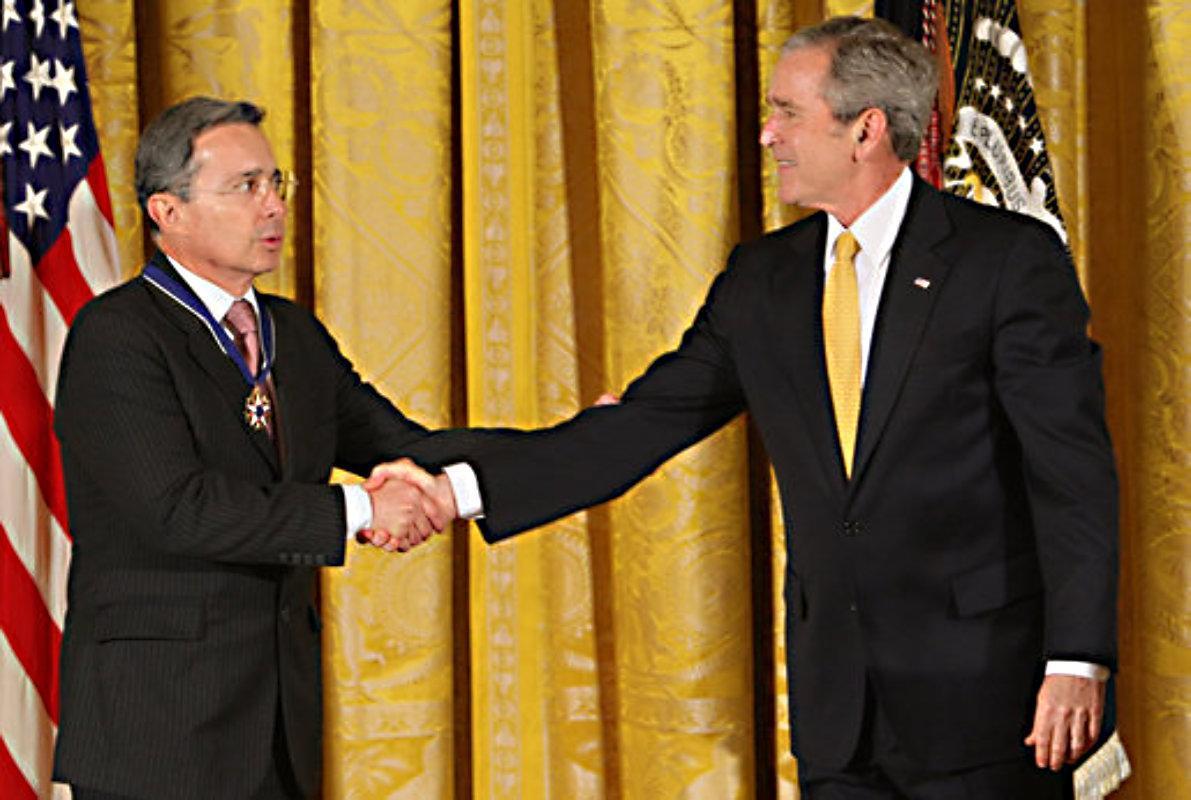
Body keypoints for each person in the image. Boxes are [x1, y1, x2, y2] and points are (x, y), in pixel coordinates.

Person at [375, 16, 1118, 799]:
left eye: (787, 113)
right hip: (838, 711)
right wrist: (451, 488)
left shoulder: (1004, 260)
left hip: (986, 701)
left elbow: (1070, 476)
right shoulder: (764, 279)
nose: (766, 135)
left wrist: (1075, 660)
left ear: (865, 130)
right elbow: (638, 426)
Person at [52, 97, 452, 799]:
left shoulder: (291, 335)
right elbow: (180, 510)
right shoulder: (115, 336)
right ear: (166, 211)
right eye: (246, 186)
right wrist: (360, 510)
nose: (273, 206)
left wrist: (579, 443)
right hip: (159, 734)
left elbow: (406, 447)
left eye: (276, 183)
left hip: (276, 729)